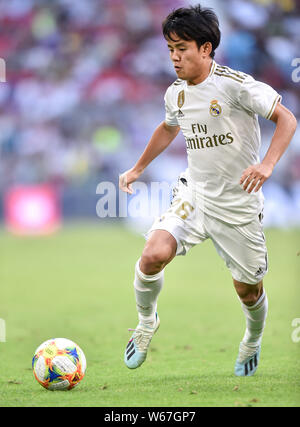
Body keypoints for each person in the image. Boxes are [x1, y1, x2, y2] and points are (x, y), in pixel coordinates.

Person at [119, 4, 297, 376]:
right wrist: (137, 168)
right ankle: (146, 322)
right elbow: (168, 127)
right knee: (152, 254)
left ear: (205, 48)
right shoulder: (176, 93)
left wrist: (266, 165)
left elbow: (287, 118)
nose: (174, 57)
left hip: (238, 206)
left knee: (248, 290)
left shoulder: (235, 85)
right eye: (170, 49)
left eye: (181, 48)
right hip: (194, 195)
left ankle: (252, 337)